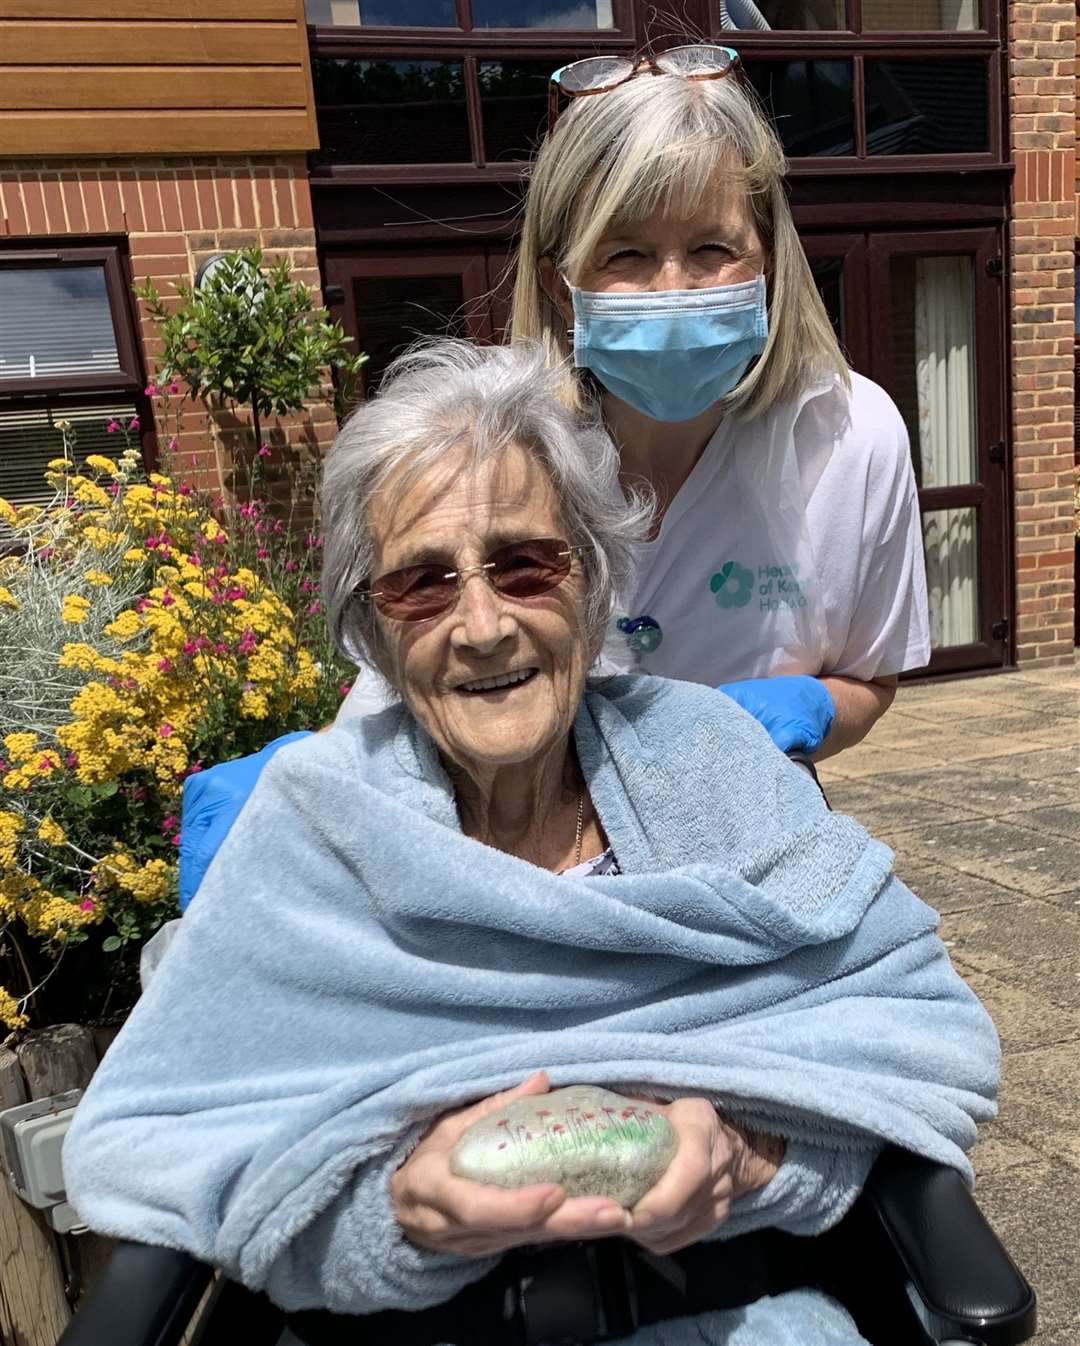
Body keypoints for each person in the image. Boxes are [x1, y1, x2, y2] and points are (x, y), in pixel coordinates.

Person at [65, 342, 995, 1346]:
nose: (481, 625)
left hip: (734, 1306)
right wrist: (400, 1216)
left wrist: (749, 1155)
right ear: (374, 630)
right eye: (422, 582)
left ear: (591, 581)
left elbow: (921, 1028)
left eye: (523, 564)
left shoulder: (709, 756)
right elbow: (165, 1134)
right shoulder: (314, 820)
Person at [176, 42, 929, 911]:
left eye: (713, 247)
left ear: (769, 259)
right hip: (531, 854)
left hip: (749, 843)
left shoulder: (851, 434)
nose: (672, 287)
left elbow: (872, 678)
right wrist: (307, 792)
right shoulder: (496, 443)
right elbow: (416, 664)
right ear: (561, 284)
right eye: (627, 255)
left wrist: (804, 708)